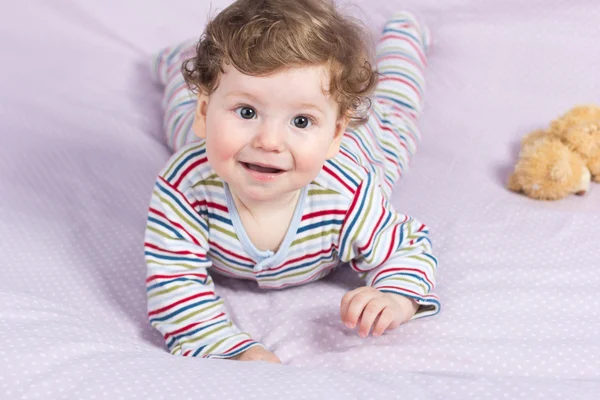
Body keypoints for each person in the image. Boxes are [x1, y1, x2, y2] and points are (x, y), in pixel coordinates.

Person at [145, 0, 440, 363]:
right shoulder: (183, 189)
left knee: (394, 105)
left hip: (365, 149)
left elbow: (406, 247)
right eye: (247, 112)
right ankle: (181, 61)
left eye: (301, 121)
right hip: (210, 144)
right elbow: (174, 286)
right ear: (206, 113)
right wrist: (234, 350)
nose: (268, 141)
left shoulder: (348, 193)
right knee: (183, 115)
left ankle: (405, 33)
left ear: (334, 133)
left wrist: (395, 296)